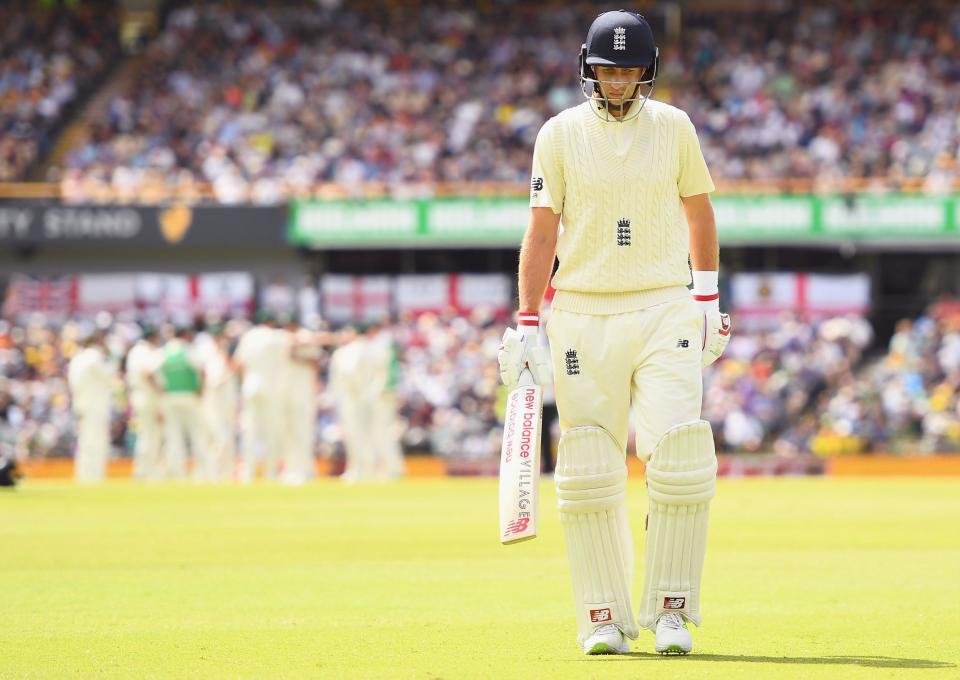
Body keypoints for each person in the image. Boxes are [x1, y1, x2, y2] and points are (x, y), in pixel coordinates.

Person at [497, 10, 731, 657]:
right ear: (588, 70)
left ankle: (674, 612)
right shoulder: (559, 134)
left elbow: (699, 209)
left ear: (647, 72)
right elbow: (542, 231)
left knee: (680, 456)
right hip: (582, 310)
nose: (620, 83)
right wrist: (526, 321)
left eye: (630, 71)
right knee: (590, 465)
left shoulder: (676, 128)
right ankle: (603, 614)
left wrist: (706, 298)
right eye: (609, 71)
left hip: (663, 305)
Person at [155, 326, 206, 479]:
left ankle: (177, 472)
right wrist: (200, 390)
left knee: (174, 436)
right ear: (185, 335)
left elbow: (149, 372)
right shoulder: (187, 349)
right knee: (197, 434)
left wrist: (161, 390)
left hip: (170, 396)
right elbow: (202, 370)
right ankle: (202, 472)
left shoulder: (164, 351)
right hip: (189, 396)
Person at [67, 331, 116, 483]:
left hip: (81, 403)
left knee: (85, 440)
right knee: (96, 440)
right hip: (95, 405)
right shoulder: (94, 356)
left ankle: (84, 474)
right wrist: (113, 357)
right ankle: (94, 475)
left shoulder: (77, 358)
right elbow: (109, 374)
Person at [125, 326, 164, 480]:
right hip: (148, 396)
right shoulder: (145, 351)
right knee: (150, 435)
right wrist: (160, 391)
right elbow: (147, 373)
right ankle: (147, 471)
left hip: (138, 395)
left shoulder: (135, 351)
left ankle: (143, 469)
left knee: (145, 434)